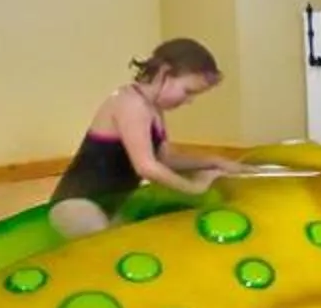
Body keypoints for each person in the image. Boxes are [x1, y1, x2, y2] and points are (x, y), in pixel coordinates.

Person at [48, 38, 242, 237]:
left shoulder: (154, 110)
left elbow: (165, 160)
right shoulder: (130, 103)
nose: (189, 101)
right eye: (188, 91)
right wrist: (194, 189)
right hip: (76, 203)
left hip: (111, 203)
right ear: (165, 73)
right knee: (108, 250)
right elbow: (147, 167)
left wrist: (212, 162)